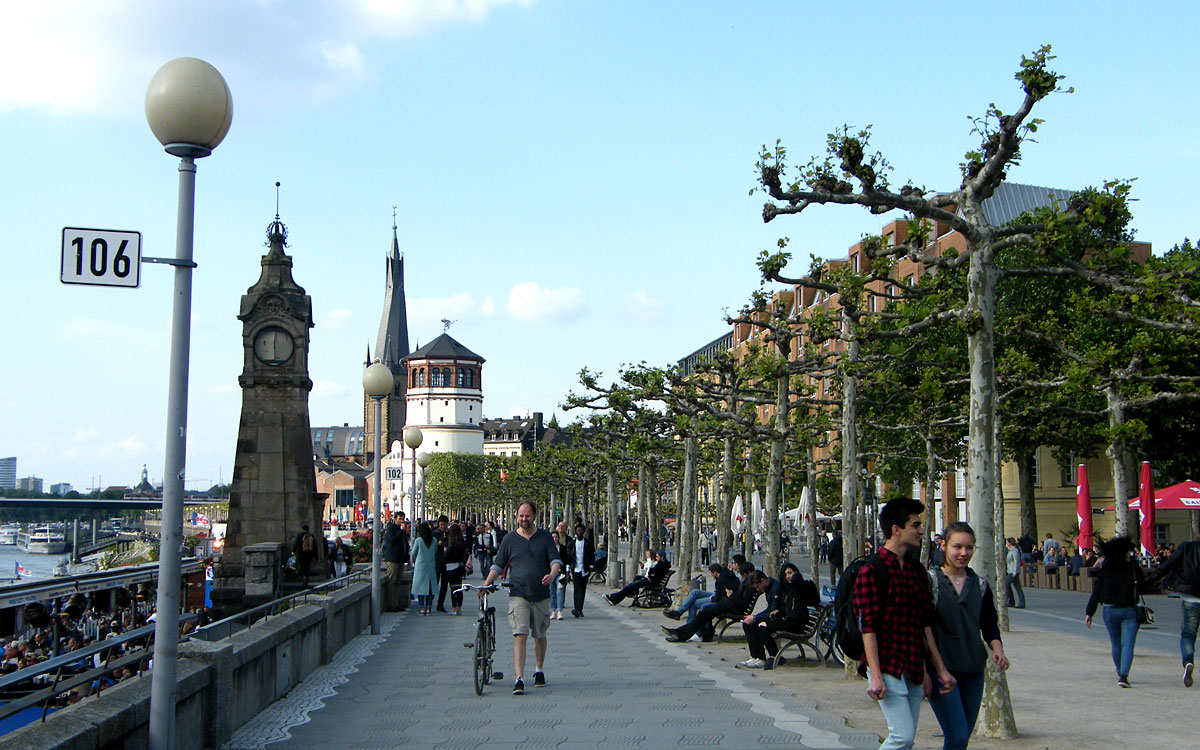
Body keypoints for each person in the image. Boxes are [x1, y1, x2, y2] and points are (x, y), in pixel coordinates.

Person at [853, 497, 955, 750]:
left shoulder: (916, 571)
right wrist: (875, 675)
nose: (921, 530)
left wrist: (935, 670)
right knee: (903, 736)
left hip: (912, 664)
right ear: (896, 529)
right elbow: (868, 627)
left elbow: (923, 624)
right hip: (887, 664)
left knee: (907, 740)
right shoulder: (871, 571)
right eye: (915, 525)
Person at [927, 522, 1010, 750]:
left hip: (973, 670)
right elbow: (922, 628)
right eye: (958, 547)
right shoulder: (930, 581)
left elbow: (989, 623)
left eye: (969, 548)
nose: (964, 553)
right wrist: (937, 669)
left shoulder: (980, 584)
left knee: (962, 738)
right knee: (957, 735)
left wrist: (998, 650)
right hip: (941, 670)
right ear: (944, 546)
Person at [480, 500, 561, 695]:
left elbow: (555, 560)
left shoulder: (544, 537)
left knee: (539, 635)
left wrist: (552, 574)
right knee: (520, 634)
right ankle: (519, 678)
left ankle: (539, 670)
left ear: (534, 516)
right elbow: (498, 565)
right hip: (518, 594)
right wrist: (486, 584)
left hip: (541, 594)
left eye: (527, 515)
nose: (524, 519)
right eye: (521, 515)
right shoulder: (509, 539)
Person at [1085, 536, 1144, 688]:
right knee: (1128, 644)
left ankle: (1119, 671)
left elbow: (1096, 591)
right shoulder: (1132, 566)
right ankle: (1124, 675)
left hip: (1109, 609)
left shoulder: (1106, 568)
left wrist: (1089, 612)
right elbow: (1143, 585)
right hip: (1129, 609)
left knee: (1116, 643)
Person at [738, 562, 818, 670]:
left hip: (797, 623)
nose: (788, 576)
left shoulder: (799, 587)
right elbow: (787, 608)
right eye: (786, 574)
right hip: (789, 619)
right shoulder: (787, 589)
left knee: (762, 626)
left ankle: (774, 656)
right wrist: (779, 611)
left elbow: (805, 601)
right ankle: (769, 656)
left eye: (790, 573)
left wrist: (796, 578)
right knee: (761, 626)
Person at [1144, 539, 1200, 687]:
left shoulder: (1187, 547)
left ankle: (1188, 662)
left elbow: (1167, 566)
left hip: (1190, 598)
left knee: (1188, 634)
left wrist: (1150, 580)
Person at [663, 566, 761, 644]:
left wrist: (730, 596)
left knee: (703, 613)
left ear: (748, 573)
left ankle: (682, 634)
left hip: (731, 607)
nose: (742, 576)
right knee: (703, 614)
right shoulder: (748, 584)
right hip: (728, 604)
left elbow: (742, 603)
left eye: (742, 574)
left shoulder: (750, 586)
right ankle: (679, 633)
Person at [605, 550, 670, 606]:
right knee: (631, 585)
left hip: (651, 582)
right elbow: (651, 571)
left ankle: (614, 598)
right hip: (649, 579)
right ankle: (614, 597)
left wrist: (652, 571)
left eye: (657, 556)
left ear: (662, 557)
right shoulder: (661, 564)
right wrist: (652, 572)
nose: (656, 558)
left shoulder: (662, 565)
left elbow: (651, 570)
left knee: (630, 586)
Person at [563, 522, 596, 617]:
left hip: (585, 569)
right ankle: (576, 608)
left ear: (583, 532)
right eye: (578, 530)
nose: (580, 532)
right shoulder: (571, 544)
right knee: (576, 589)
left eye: (581, 530)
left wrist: (591, 567)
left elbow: (591, 555)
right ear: (576, 532)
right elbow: (568, 558)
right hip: (575, 569)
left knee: (583, 589)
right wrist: (568, 571)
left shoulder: (588, 543)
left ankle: (580, 608)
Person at [411, 522, 439, 615]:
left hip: (420, 567)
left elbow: (413, 553)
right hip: (431, 566)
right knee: (430, 588)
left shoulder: (418, 540)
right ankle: (429, 607)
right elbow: (435, 551)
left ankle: (421, 607)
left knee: (421, 588)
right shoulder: (434, 540)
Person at [444, 524, 468, 615]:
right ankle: (459, 608)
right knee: (459, 587)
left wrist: (445, 552)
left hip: (451, 566)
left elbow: (447, 556)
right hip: (460, 566)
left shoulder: (451, 544)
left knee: (453, 588)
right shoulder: (462, 543)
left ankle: (454, 607)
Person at [383, 512, 410, 587]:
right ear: (395, 519)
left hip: (400, 559)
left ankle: (396, 598)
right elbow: (392, 539)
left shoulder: (402, 530)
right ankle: (391, 599)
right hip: (393, 559)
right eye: (400, 519)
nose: (402, 521)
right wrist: (401, 531)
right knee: (392, 581)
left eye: (403, 519)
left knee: (398, 581)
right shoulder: (391, 528)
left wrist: (407, 557)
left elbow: (405, 543)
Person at [549, 530, 567, 620]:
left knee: (560, 592)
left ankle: (560, 611)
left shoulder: (563, 548)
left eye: (556, 537)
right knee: (552, 593)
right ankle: (553, 611)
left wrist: (567, 572)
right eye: (552, 537)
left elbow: (567, 561)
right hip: (550, 574)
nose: (554, 539)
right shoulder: (547, 549)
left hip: (561, 574)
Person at [434, 515, 450, 612]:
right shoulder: (435, 534)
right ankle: (430, 601)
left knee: (444, 585)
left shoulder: (450, 534)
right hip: (437, 560)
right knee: (434, 583)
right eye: (441, 525)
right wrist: (438, 545)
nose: (442, 527)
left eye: (444, 525)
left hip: (447, 562)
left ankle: (440, 604)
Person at [1004, 538, 1025, 609]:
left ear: (1010, 543)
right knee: (1017, 586)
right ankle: (1018, 602)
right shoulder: (1010, 550)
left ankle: (1007, 600)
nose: (1007, 543)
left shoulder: (1015, 551)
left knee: (1006, 584)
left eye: (1008, 542)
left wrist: (1015, 571)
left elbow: (1016, 562)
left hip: (1013, 571)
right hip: (1010, 570)